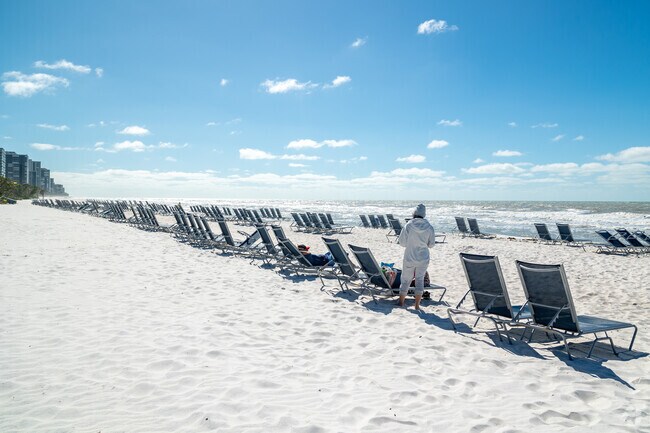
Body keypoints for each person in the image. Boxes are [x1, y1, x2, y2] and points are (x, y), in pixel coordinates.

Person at [397, 204, 435, 310]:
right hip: (423, 257)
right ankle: (417, 305)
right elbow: (431, 244)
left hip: (410, 256)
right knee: (419, 280)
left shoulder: (409, 225)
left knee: (405, 280)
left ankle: (401, 303)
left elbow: (402, 242)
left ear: (414, 214)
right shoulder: (429, 227)